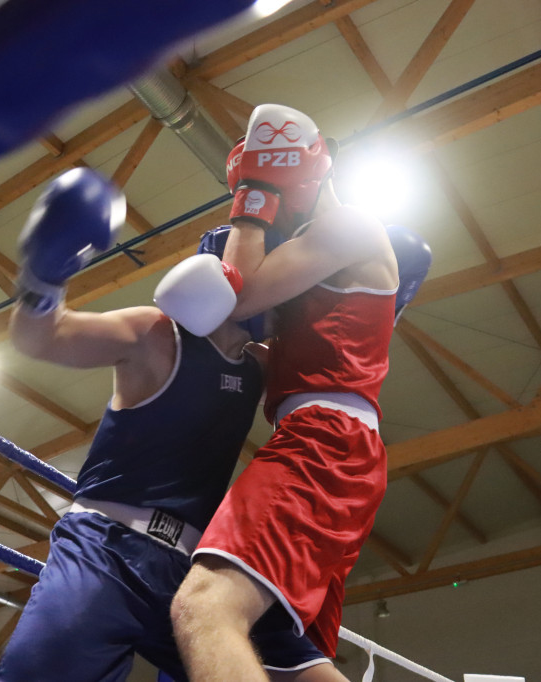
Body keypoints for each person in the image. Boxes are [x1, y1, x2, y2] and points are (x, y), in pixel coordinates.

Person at [0, 167, 349, 682]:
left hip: (193, 573)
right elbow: (44, 340)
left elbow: (336, 384)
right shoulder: (157, 335)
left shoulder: (261, 365)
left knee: (297, 672)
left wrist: (375, 307)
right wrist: (42, 277)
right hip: (105, 551)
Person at [157, 104, 431, 681]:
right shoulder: (313, 254)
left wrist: (251, 200)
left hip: (324, 439)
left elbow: (235, 297)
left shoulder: (347, 225)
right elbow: (248, 338)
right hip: (332, 442)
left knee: (204, 605)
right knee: (289, 654)